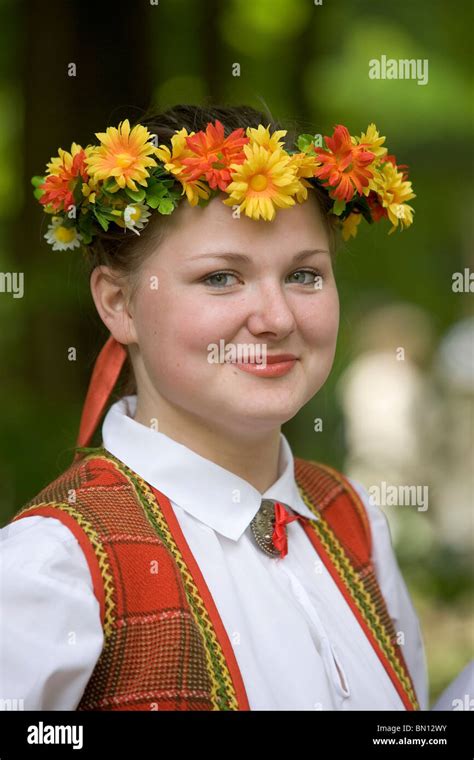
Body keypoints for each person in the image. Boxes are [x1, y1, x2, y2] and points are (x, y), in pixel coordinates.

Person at [0, 104, 427, 711]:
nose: (276, 318)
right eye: (222, 278)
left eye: (305, 275)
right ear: (119, 303)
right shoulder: (53, 567)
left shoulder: (355, 525)